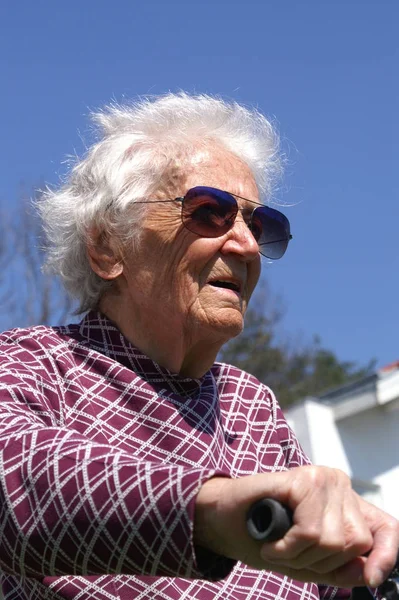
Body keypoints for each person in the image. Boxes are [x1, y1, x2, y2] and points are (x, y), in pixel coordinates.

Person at [0, 93, 397, 600]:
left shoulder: (251, 407)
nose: (248, 246)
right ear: (107, 247)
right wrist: (215, 509)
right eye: (210, 212)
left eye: (259, 225)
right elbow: (17, 478)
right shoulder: (31, 362)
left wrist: (365, 563)